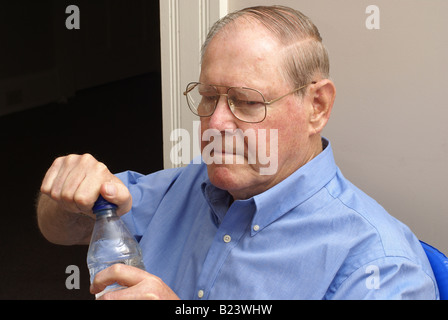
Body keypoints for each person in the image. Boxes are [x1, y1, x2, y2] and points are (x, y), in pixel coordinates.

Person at [37, 5, 439, 300]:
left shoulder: (378, 267)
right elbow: (59, 228)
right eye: (209, 97)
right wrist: (65, 194)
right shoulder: (185, 185)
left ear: (317, 107)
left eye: (247, 102)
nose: (216, 124)